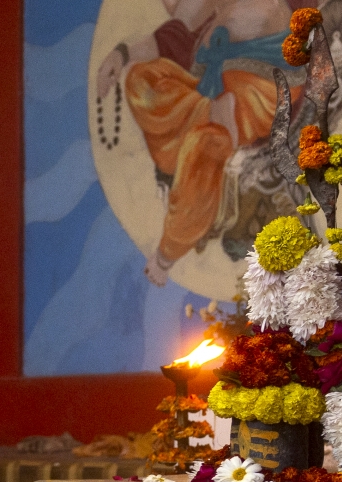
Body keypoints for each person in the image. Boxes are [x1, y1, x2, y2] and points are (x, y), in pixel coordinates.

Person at [96, 0, 298, 286]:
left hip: (260, 87)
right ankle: (201, 129)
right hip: (208, 85)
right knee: (142, 80)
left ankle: (170, 250)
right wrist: (122, 54)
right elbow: (173, 35)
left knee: (206, 142)